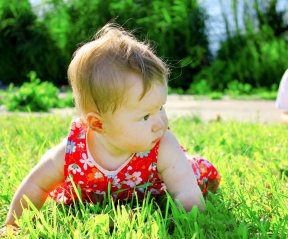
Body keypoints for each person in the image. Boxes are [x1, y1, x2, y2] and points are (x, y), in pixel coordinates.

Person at [1, 23, 220, 235]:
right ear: (97, 124)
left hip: (151, 190)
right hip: (91, 197)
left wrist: (189, 224)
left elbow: (185, 190)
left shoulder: (162, 145)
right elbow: (36, 185)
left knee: (192, 173)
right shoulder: (72, 153)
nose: (161, 123)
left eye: (160, 108)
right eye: (145, 116)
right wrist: (13, 226)